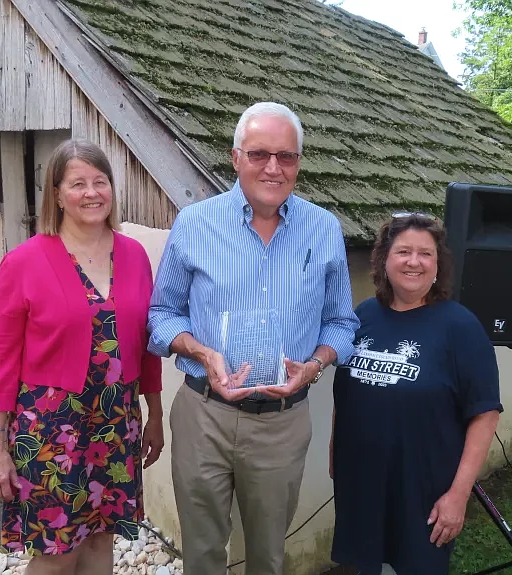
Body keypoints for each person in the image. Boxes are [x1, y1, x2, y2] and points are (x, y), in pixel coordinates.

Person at [147, 101, 359, 575]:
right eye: (260, 153)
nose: (272, 167)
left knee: (268, 556)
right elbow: (161, 316)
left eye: (286, 156)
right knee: (201, 553)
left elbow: (342, 324)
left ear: (298, 163)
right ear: (236, 157)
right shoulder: (195, 224)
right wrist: (200, 349)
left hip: (281, 425)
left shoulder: (323, 230)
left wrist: (316, 364)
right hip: (205, 415)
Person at [0, 139, 164, 575]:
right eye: (78, 183)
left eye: (100, 181)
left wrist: (154, 414)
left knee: (101, 539)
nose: (92, 192)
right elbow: (0, 359)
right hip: (52, 432)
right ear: (57, 194)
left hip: (117, 424)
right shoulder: (24, 262)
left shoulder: (134, 255)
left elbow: (147, 343)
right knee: (57, 553)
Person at [330, 214, 503, 575]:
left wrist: (458, 495)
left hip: (423, 486)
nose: (413, 261)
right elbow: (345, 391)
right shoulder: (363, 316)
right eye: (403, 251)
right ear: (384, 261)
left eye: (425, 254)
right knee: (362, 565)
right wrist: (335, 448)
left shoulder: (460, 327)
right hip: (362, 480)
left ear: (437, 265)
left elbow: (485, 413)